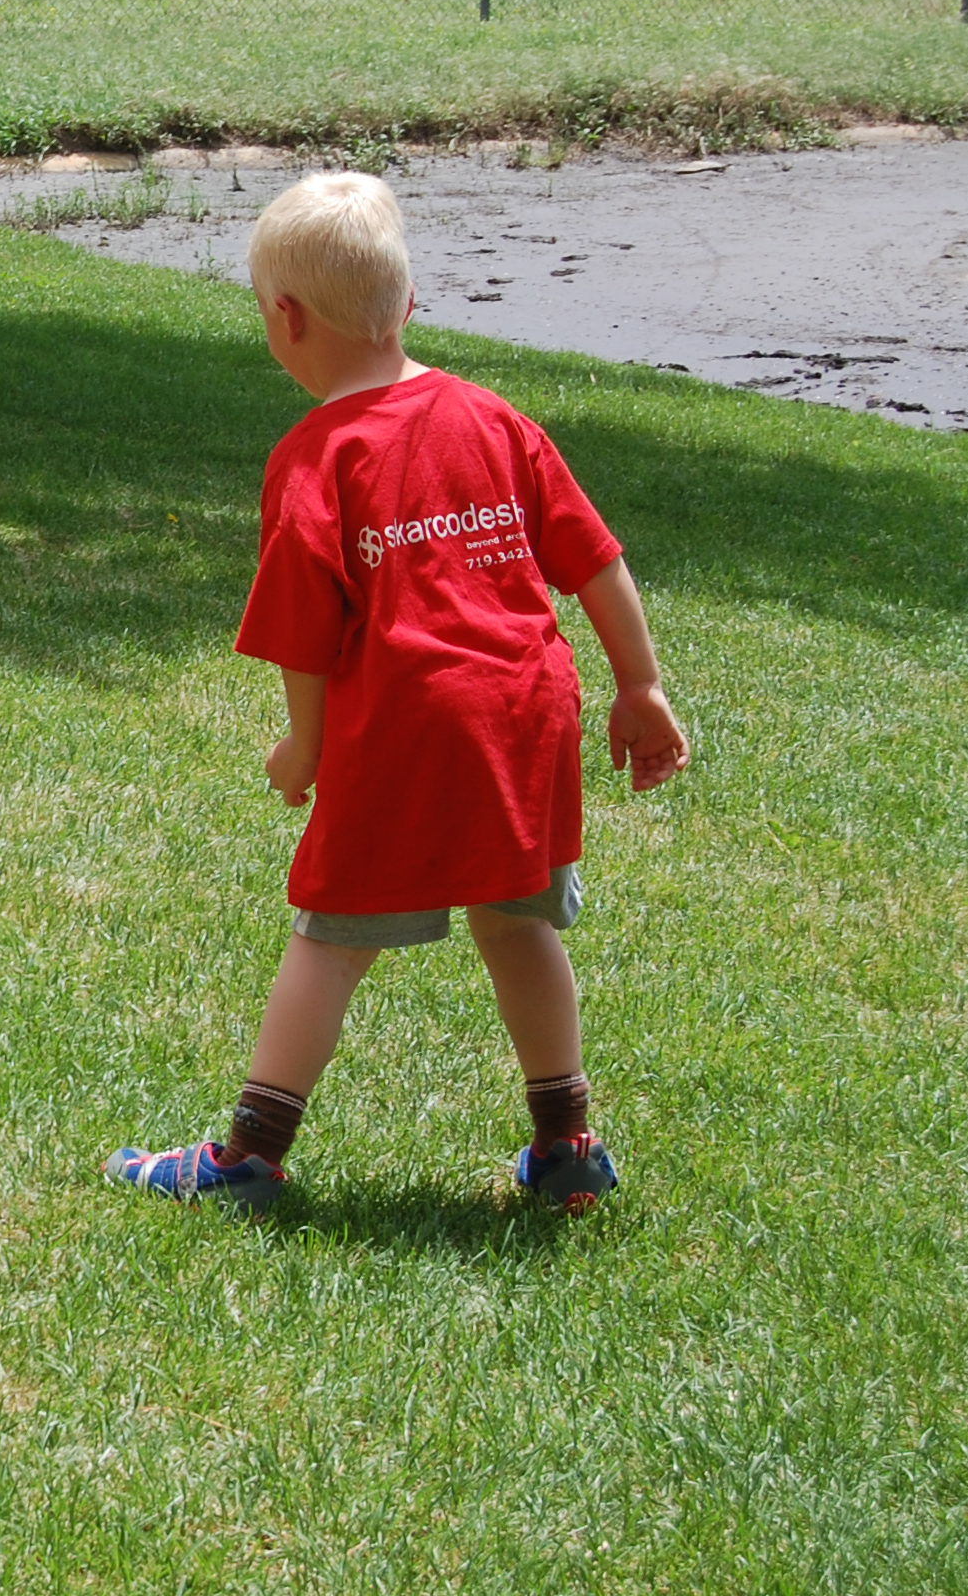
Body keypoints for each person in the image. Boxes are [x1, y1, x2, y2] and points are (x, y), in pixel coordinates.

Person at [105, 172, 690, 1214]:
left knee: (330, 938)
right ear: (407, 303)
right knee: (519, 924)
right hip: (525, 711)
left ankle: (246, 1154)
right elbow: (595, 560)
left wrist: (303, 747)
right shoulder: (492, 417)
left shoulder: (313, 457)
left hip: (411, 729)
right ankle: (565, 1146)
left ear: (283, 319)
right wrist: (637, 685)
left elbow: (305, 635)